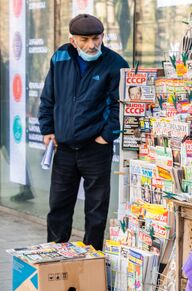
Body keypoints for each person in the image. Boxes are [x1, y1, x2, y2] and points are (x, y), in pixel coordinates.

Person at [38, 14, 129, 250]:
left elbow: (119, 105)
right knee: (58, 207)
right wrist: (47, 128)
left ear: (102, 37)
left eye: (96, 38)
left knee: (96, 209)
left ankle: (92, 260)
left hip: (95, 149)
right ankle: (55, 257)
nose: (92, 44)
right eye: (85, 39)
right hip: (64, 148)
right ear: (73, 39)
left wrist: (106, 136)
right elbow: (49, 95)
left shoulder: (115, 63)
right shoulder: (60, 57)